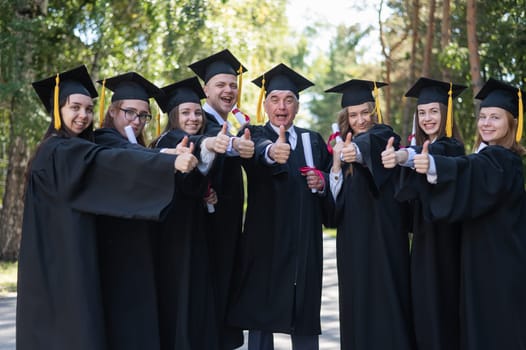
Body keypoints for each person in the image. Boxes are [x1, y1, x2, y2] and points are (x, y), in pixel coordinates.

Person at [16, 65, 197, 350]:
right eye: (75, 107)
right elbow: (107, 162)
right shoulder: (59, 151)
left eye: (88, 109)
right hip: (62, 263)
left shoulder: (67, 147)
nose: (83, 115)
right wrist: (166, 162)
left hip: (70, 255)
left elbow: (110, 157)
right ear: (57, 108)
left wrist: (162, 157)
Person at [413, 78, 526, 350]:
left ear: (512, 122)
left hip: (499, 266)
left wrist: (434, 165)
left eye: (495, 117)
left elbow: (470, 170)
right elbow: (470, 170)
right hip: (483, 262)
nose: (486, 123)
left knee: (497, 331)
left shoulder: (504, 160)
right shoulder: (489, 156)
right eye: (483, 116)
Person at [227, 63, 331, 350]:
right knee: (262, 315)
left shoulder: (313, 141)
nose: (281, 106)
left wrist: (322, 183)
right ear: (265, 103)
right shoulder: (254, 133)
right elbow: (257, 152)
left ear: (297, 105)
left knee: (305, 314)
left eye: (289, 99)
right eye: (274, 99)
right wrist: (273, 152)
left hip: (304, 243)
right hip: (266, 242)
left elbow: (331, 192)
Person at [93, 71, 197, 350]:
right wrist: (166, 157)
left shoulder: (136, 145)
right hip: (115, 247)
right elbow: (127, 158)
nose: (136, 121)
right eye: (130, 113)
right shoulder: (102, 140)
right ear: (112, 111)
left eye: (143, 115)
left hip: (141, 246)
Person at [326, 79, 415, 350]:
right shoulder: (340, 147)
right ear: (346, 118)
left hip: (384, 237)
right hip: (352, 241)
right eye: (353, 115)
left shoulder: (385, 137)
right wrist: (337, 164)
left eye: (365, 112)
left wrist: (357, 152)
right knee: (357, 302)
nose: (361, 120)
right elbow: (333, 200)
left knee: (388, 297)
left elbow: (372, 143)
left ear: (374, 112)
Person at [381, 77, 466, 350]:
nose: (427, 118)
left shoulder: (451, 147)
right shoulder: (421, 144)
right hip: (423, 243)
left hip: (447, 243)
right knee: (424, 309)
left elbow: (430, 154)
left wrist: (404, 156)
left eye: (433, 112)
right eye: (422, 113)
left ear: (446, 113)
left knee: (442, 310)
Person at [150, 76, 231, 349]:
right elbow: (199, 144)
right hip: (173, 237)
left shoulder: (185, 140)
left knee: (193, 299)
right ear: (173, 116)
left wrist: (206, 193)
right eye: (185, 113)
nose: (194, 118)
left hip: (190, 233)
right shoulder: (169, 138)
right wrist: (209, 144)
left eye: (197, 112)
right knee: (181, 299)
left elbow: (191, 182)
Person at [188, 49, 254, 349]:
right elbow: (210, 144)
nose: (228, 90)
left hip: (225, 229)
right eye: (220, 84)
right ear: (205, 89)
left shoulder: (233, 125)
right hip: (202, 229)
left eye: (232, 85)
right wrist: (229, 144)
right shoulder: (196, 121)